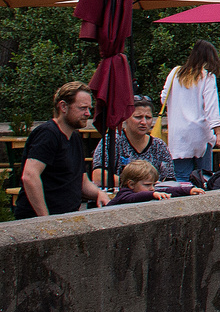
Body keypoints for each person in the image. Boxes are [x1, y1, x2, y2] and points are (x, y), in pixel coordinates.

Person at [16, 82, 109, 218]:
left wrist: (99, 193)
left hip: (67, 217)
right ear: (63, 106)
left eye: (89, 108)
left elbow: (82, 182)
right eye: (82, 108)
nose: (88, 113)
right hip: (38, 221)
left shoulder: (75, 137)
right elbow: (29, 176)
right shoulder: (48, 134)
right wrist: (45, 219)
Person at [162, 40, 220, 181]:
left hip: (178, 134)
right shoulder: (207, 77)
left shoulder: (175, 73)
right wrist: (219, 134)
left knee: (181, 177)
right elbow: (211, 107)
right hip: (200, 134)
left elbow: (163, 98)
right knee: (203, 177)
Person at [90, 96, 174, 184]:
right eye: (138, 117)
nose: (144, 122)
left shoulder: (159, 145)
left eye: (148, 117)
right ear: (125, 117)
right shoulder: (112, 141)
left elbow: (170, 179)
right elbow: (98, 177)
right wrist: (137, 185)